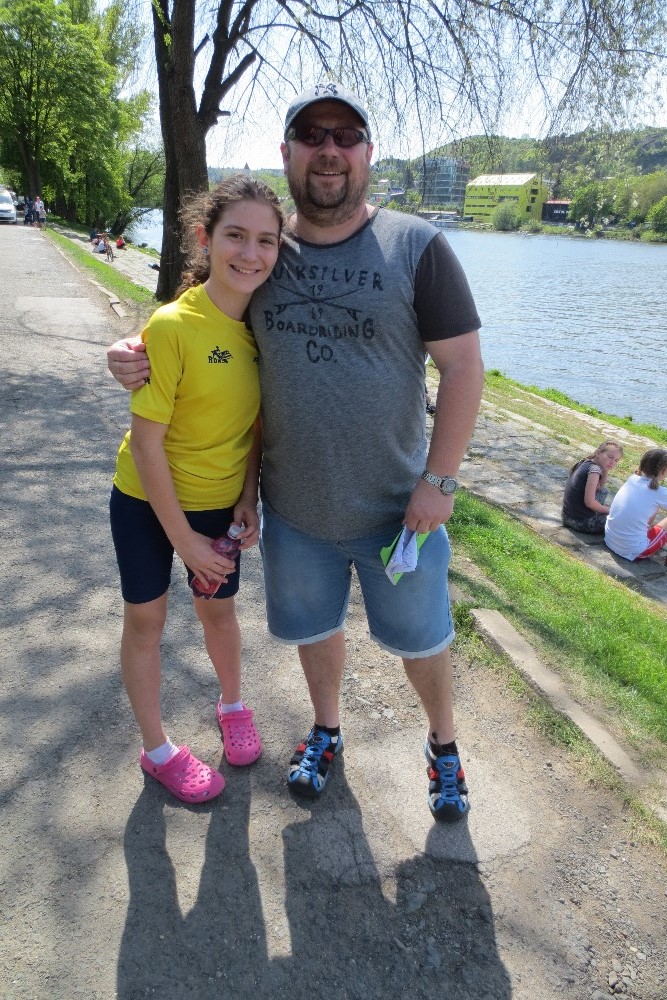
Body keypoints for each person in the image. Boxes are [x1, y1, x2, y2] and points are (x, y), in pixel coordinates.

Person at [107, 82, 484, 822]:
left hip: (398, 510)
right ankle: (325, 730)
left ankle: (443, 744)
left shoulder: (417, 246)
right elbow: (203, 313)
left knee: (422, 640)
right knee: (316, 633)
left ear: (367, 153)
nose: (329, 150)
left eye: (346, 136)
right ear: (288, 153)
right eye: (313, 135)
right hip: (296, 513)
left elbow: (464, 367)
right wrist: (130, 348)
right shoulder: (272, 255)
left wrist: (440, 479)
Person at [109, 176, 282, 803]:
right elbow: (147, 444)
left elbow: (254, 425)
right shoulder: (172, 325)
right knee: (146, 619)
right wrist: (184, 541)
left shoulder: (267, 329)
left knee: (219, 611)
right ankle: (157, 751)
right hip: (145, 500)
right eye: (235, 235)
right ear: (204, 239)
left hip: (217, 503)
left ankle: (232, 705)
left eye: (266, 240)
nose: (250, 253)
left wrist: (248, 496)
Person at [604, 448, 667, 561]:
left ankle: (644, 532)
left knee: (653, 506)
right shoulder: (659, 492)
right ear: (663, 470)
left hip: (609, 539)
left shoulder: (632, 479)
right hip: (632, 551)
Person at [561, 440, 623, 534]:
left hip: (567, 516)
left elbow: (601, 487)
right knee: (621, 520)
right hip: (580, 522)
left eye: (616, 460)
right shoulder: (594, 470)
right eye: (610, 457)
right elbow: (589, 502)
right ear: (598, 453)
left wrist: (606, 469)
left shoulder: (585, 462)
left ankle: (597, 512)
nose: (612, 462)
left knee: (604, 491)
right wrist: (609, 511)